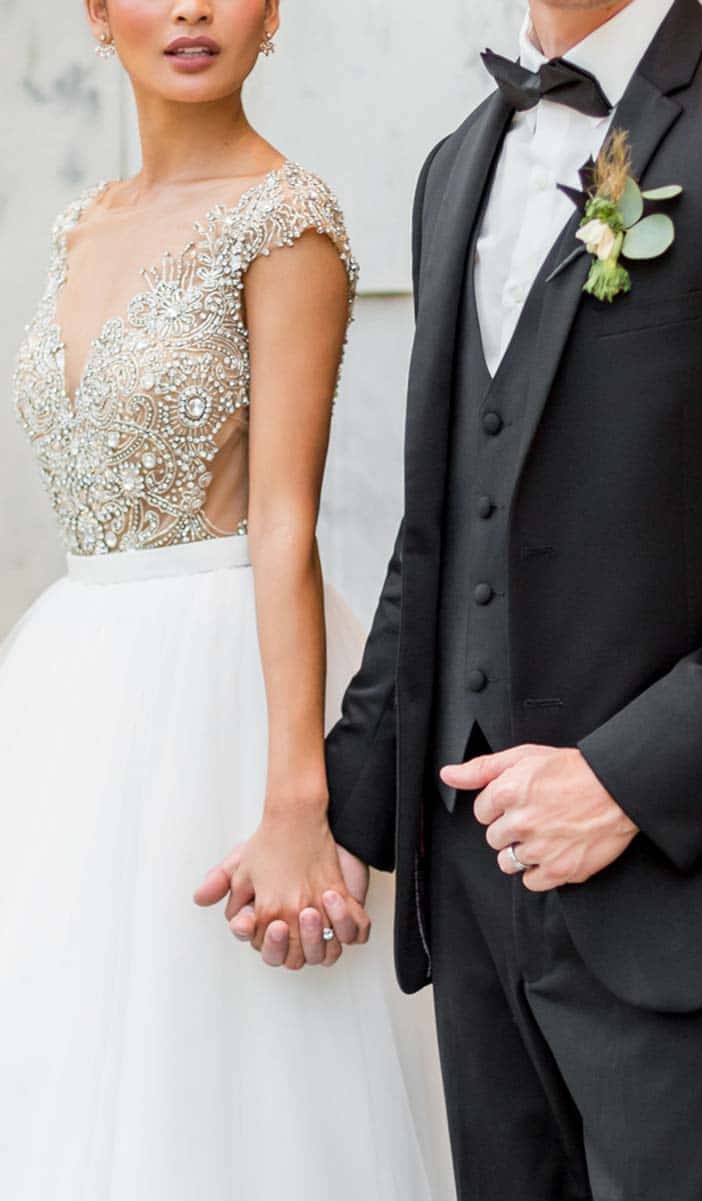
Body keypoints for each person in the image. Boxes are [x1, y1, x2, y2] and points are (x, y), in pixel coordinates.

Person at [207, 0, 702, 1197]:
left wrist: (624, 779)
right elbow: (440, 538)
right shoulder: (452, 167)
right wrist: (332, 826)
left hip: (689, 912)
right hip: (473, 909)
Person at [0, 1, 453, 1198]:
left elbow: (282, 522)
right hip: (69, 693)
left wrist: (298, 797)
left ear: (271, 13)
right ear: (96, 13)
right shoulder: (77, 224)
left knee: (220, 1090)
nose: (193, 9)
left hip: (219, 695)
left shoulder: (285, 221)